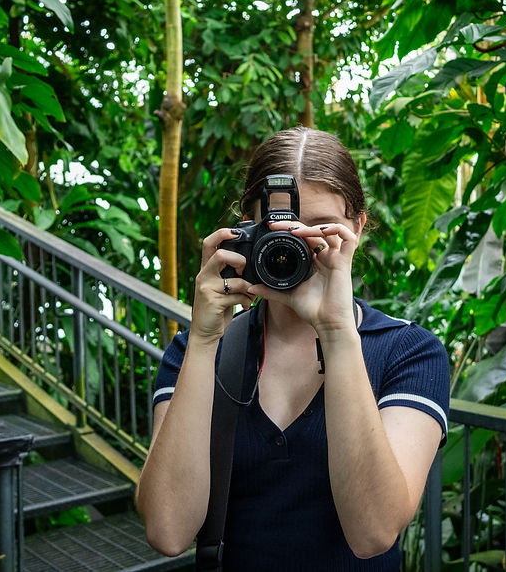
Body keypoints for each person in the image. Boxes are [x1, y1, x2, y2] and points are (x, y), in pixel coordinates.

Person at [135, 127, 450, 570]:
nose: (297, 245)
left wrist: (337, 331)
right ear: (246, 229)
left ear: (358, 227)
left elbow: (372, 533)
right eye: (280, 227)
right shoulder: (198, 351)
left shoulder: (409, 353)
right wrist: (206, 342)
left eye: (321, 228)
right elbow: (167, 532)